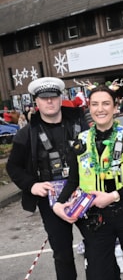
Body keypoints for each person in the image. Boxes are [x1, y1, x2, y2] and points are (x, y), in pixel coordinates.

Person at [52, 84, 123, 280]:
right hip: (95, 219)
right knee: (100, 274)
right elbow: (73, 180)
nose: (100, 109)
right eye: (95, 104)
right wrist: (58, 204)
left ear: (115, 107)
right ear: (89, 108)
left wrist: (114, 196)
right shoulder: (80, 142)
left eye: (106, 103)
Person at [6, 77, 89, 280]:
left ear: (61, 99)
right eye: (44, 98)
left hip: (83, 194)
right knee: (63, 256)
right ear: (37, 102)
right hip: (51, 201)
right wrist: (31, 185)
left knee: (97, 248)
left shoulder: (81, 125)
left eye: (53, 97)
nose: (49, 102)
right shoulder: (26, 134)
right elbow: (13, 166)